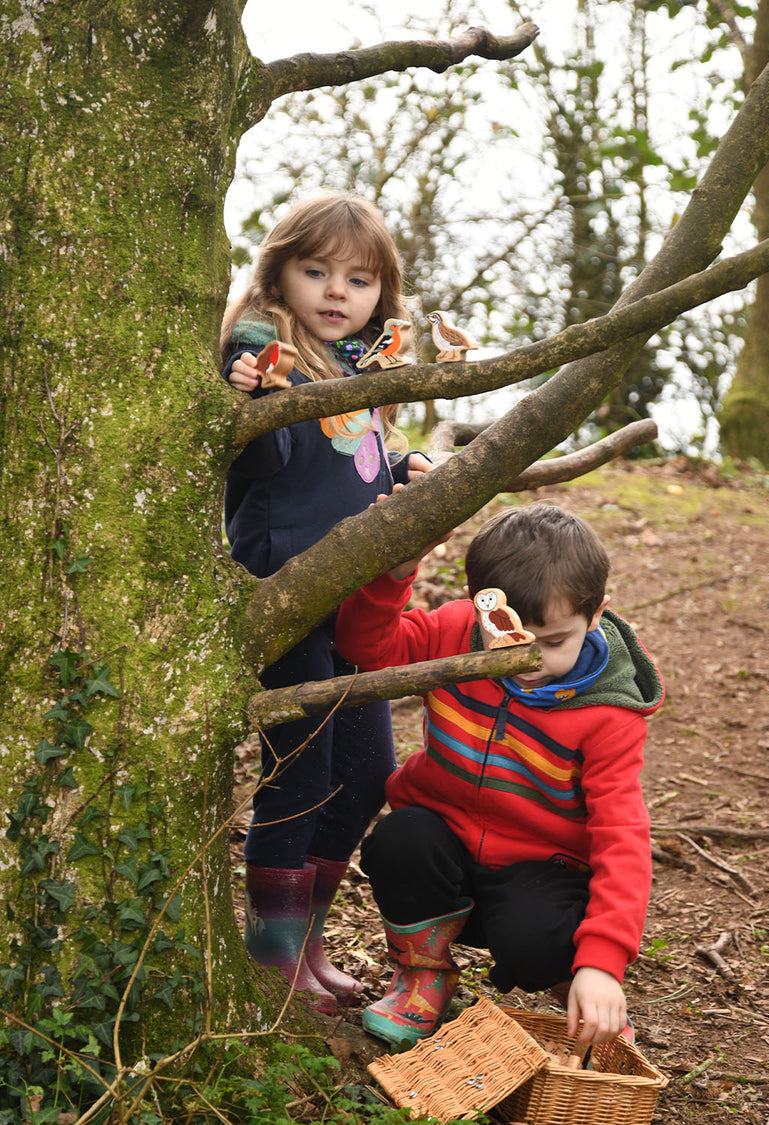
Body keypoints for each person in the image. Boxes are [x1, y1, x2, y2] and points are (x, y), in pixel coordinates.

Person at [335, 503, 664, 1047]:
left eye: (555, 641)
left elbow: (621, 834)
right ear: (480, 608)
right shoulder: (453, 632)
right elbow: (368, 648)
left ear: (597, 613)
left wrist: (603, 963)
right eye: (509, 638)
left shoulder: (608, 715)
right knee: (399, 841)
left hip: (542, 876)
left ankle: (580, 992)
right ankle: (424, 975)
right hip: (446, 859)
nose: (531, 660)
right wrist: (394, 572)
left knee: (537, 942)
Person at [221, 192, 431, 1013]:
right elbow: (267, 460)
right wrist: (252, 394)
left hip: (354, 602)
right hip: (288, 594)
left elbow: (354, 459)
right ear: (280, 271)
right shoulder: (265, 351)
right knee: (300, 772)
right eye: (317, 271)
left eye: (359, 278)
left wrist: (403, 467)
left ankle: (304, 942)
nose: (338, 290)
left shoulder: (360, 365)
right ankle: (273, 953)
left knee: (369, 773)